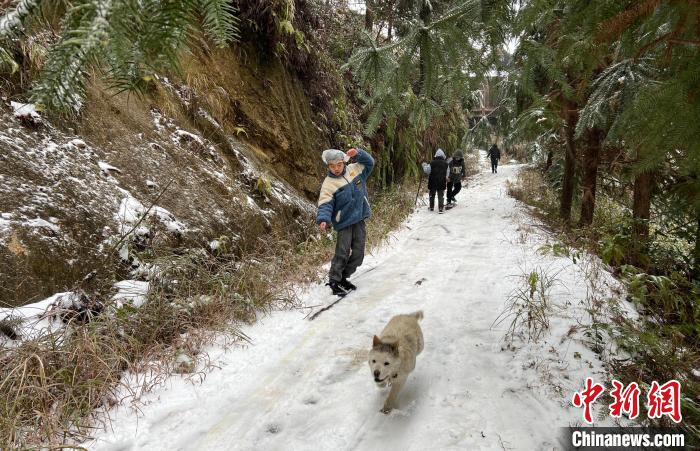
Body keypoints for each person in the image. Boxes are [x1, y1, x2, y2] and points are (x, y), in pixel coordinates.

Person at [317, 147, 375, 296]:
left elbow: (370, 163)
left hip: (359, 219)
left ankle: (343, 277)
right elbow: (325, 203)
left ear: (343, 162)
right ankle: (334, 280)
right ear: (328, 166)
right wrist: (323, 219)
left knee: (359, 254)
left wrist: (358, 153)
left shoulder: (354, 170)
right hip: (343, 223)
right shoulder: (328, 184)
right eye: (332, 166)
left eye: (339, 165)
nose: (336, 168)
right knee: (342, 252)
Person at [425, 148, 448, 213]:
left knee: (432, 194)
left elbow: (427, 171)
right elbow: (448, 172)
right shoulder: (445, 163)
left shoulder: (432, 163)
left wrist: (424, 166)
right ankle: (440, 208)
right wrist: (447, 177)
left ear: (436, 155)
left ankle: (431, 207)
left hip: (433, 181)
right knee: (441, 195)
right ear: (443, 156)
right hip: (442, 181)